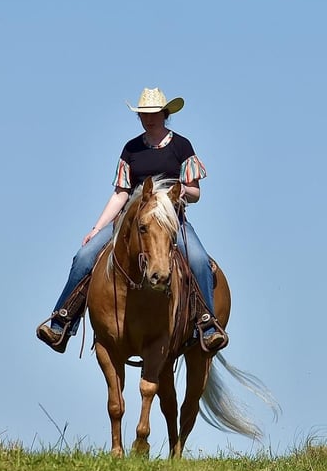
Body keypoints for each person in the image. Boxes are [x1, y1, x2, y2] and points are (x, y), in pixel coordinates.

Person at [36, 87, 228, 354]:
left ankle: (207, 324)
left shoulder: (181, 146)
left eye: (153, 114)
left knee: (197, 259)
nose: (148, 119)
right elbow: (120, 194)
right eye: (143, 114)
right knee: (84, 256)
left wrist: (181, 191)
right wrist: (97, 227)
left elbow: (195, 192)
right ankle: (62, 320)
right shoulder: (131, 148)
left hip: (171, 221)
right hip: (131, 221)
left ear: (165, 114)